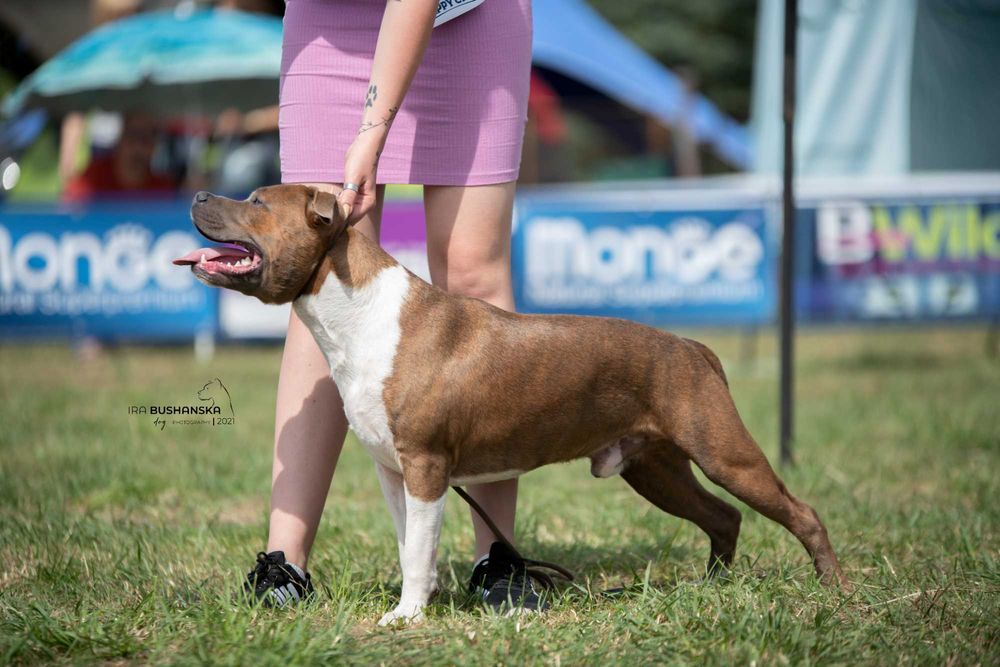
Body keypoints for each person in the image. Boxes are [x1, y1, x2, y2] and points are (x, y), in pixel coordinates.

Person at [242, 0, 541, 612]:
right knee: (322, 278)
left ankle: (497, 557)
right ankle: (285, 563)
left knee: (472, 270)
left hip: (467, 16)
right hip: (330, 28)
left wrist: (370, 134)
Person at [62, 112, 175, 202]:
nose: (139, 146)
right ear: (120, 139)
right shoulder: (93, 179)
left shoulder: (162, 190)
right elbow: (70, 207)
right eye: (133, 136)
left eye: (147, 138)